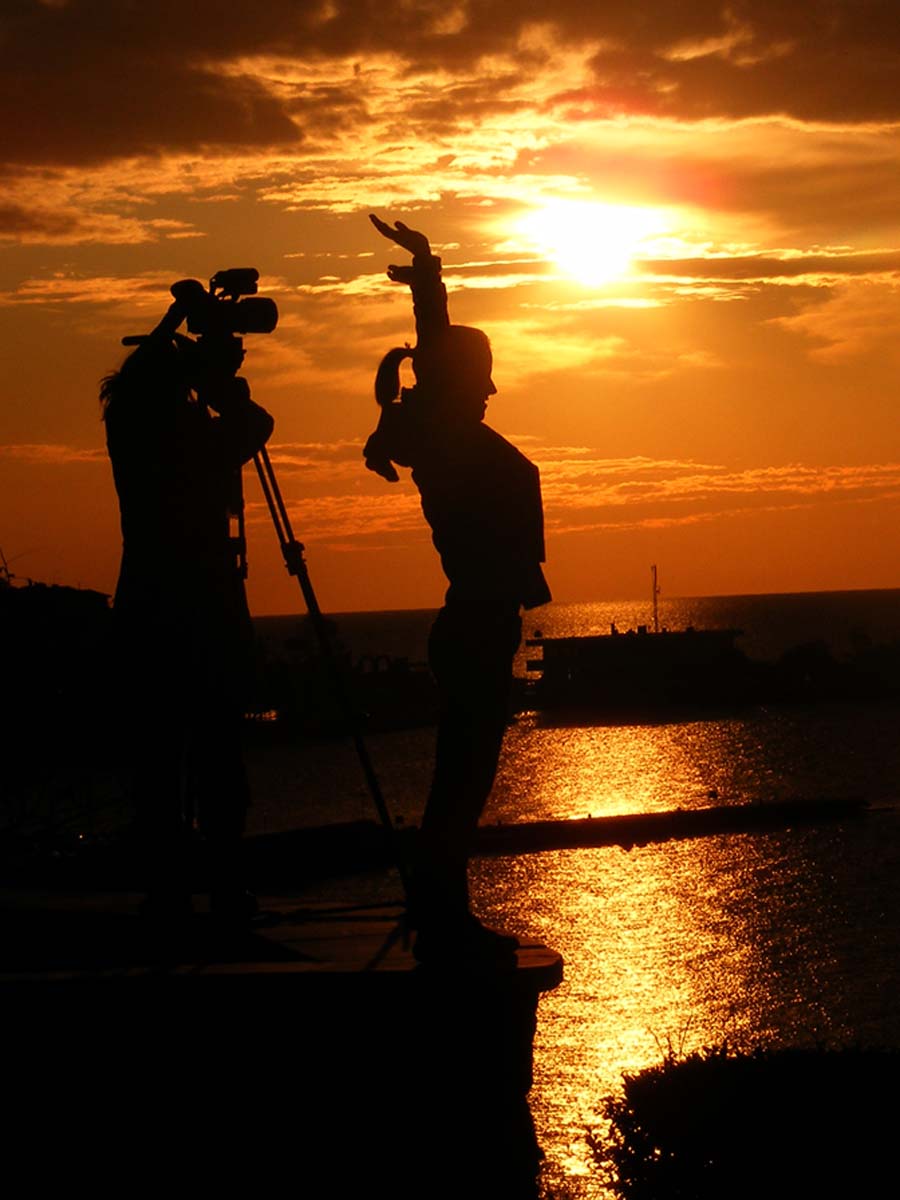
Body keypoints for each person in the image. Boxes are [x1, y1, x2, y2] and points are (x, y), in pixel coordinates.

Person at [364, 214, 551, 962]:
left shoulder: (449, 435)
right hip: (475, 620)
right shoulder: (447, 439)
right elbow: (436, 354)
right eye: (482, 374)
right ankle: (443, 915)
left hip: (481, 619)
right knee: (462, 781)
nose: (493, 388)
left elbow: (436, 349)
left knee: (465, 779)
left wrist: (429, 270)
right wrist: (428, 280)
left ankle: (441, 907)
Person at [102, 299, 274, 920]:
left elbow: (147, 382)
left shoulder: (130, 426)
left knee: (157, 756)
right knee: (217, 752)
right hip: (202, 603)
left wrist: (179, 327)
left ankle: (167, 890)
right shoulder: (184, 433)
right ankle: (223, 885)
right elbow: (254, 426)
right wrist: (221, 386)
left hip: (146, 601)